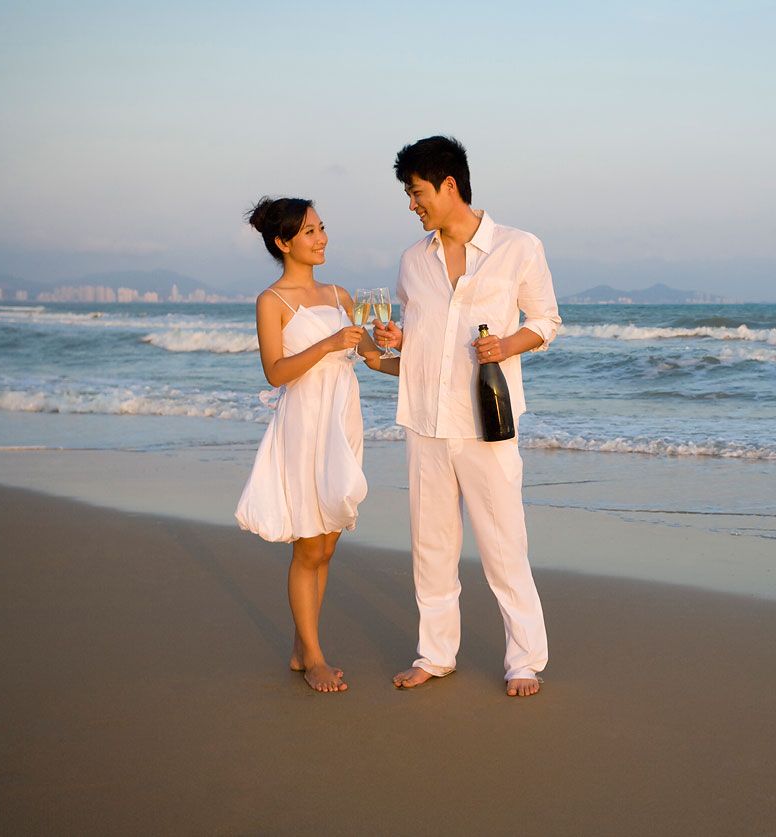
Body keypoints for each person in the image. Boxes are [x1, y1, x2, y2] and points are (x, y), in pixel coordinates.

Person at [369, 136, 561, 697]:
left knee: (504, 543)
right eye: (409, 194)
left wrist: (506, 345)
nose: (412, 204)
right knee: (431, 544)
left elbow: (547, 321)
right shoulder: (412, 261)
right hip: (425, 423)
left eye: (417, 191)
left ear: (449, 185)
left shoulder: (518, 247)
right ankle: (436, 654)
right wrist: (395, 340)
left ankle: (524, 660)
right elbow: (420, 341)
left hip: (486, 422)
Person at [235, 196, 378, 694]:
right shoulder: (271, 302)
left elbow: (373, 357)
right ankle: (313, 656)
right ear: (283, 242)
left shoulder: (340, 294)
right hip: (304, 423)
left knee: (330, 540)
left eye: (322, 228)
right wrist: (327, 345)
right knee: (308, 543)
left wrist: (417, 365)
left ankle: (302, 647)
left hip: (343, 419)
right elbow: (275, 373)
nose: (322, 238)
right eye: (311, 231)